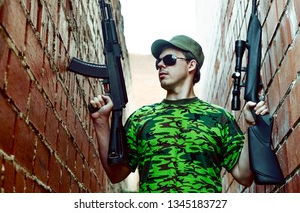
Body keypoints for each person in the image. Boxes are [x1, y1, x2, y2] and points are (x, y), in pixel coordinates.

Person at [89, 35, 269, 193]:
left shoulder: (218, 118)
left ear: (191, 65)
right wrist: (101, 122)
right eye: (158, 62)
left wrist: (253, 128)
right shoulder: (140, 118)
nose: (160, 64)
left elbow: (244, 176)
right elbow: (116, 174)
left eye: (169, 59)